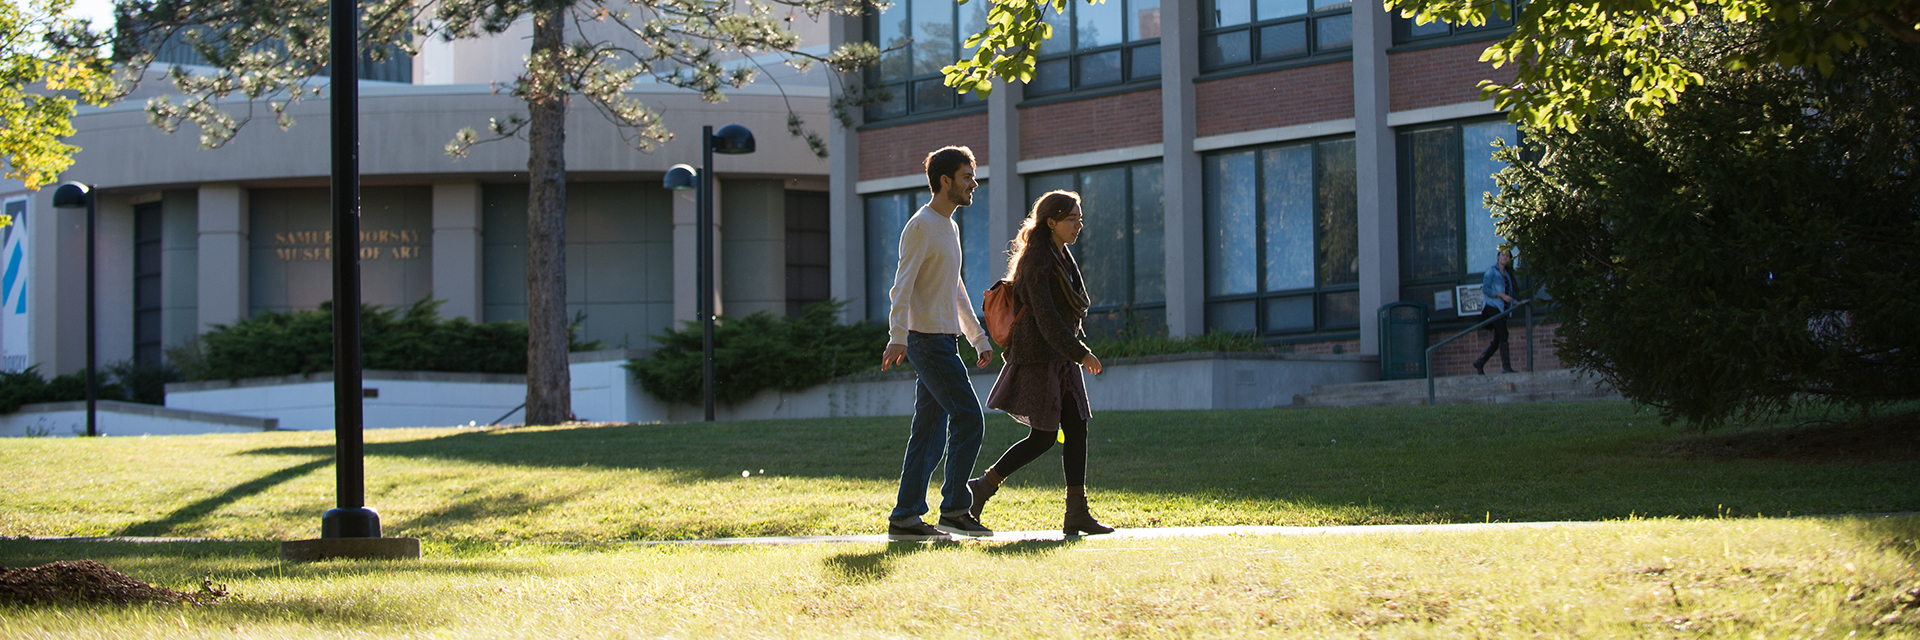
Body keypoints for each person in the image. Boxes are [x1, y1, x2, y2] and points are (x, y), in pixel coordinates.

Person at [968, 190, 1115, 536]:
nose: (1078, 225)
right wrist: (1080, 352)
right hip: (1039, 358)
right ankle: (982, 487)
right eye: (1071, 219)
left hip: (1060, 358)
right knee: (1044, 437)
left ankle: (1076, 513)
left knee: (1077, 427)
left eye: (1079, 218)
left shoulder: (1061, 255)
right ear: (1051, 222)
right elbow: (1047, 318)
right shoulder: (1037, 261)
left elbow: (1070, 308)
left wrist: (1073, 352)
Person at [880, 145, 996, 540]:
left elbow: (955, 287)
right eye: (967, 177)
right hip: (925, 340)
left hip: (943, 339)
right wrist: (898, 337)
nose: (973, 184)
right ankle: (955, 509)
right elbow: (902, 286)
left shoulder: (950, 226)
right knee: (970, 418)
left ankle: (906, 517)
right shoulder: (921, 225)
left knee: (929, 431)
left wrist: (977, 336)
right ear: (945, 181)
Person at [1475, 247, 1519, 375]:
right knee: (1504, 334)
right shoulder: (1491, 272)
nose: (1505, 258)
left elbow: (1508, 294)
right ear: (1498, 257)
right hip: (1492, 307)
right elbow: (1486, 290)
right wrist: (1500, 295)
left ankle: (1480, 362)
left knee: (1497, 339)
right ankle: (1506, 367)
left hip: (1503, 309)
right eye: (1503, 255)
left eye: (1508, 256)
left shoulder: (1508, 275)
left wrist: (1516, 302)